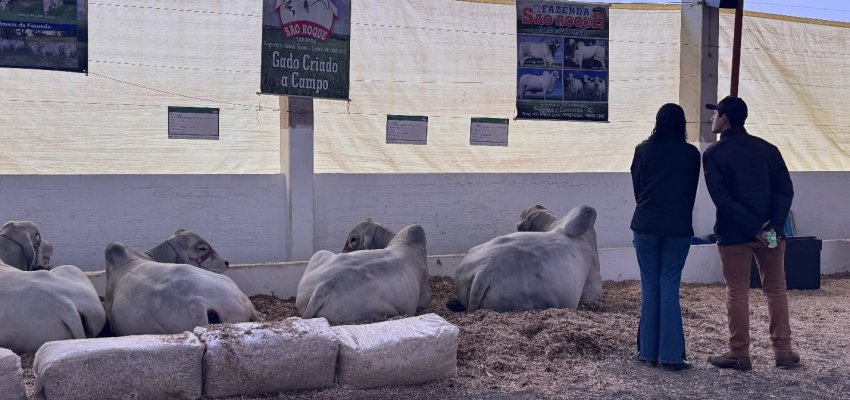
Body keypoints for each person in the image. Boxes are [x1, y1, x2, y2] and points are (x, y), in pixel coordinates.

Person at [703, 96, 799, 371]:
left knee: (737, 292)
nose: (712, 119)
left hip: (734, 234)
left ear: (724, 119)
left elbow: (722, 199)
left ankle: (739, 353)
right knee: (776, 288)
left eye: (715, 114)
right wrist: (773, 225)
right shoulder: (768, 149)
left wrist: (753, 225)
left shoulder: (713, 154)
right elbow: (785, 190)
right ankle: (783, 350)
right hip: (770, 233)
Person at [630, 103, 700, 371]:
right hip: (678, 227)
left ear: (657, 122)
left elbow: (637, 187)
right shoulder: (691, 154)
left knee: (650, 287)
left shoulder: (642, 150)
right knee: (669, 286)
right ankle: (671, 356)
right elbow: (690, 193)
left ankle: (647, 352)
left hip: (646, 223)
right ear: (682, 124)